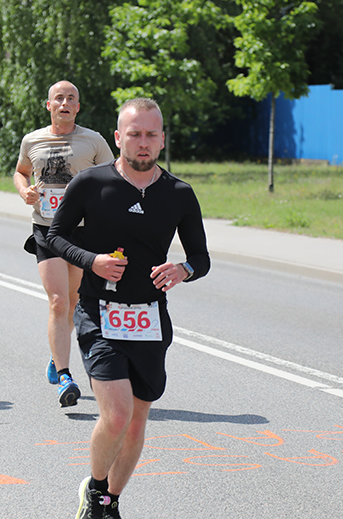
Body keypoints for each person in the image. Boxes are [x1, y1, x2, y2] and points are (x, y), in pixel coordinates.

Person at [46, 98, 209, 519]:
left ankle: (111, 500)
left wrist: (183, 269)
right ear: (118, 138)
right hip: (99, 313)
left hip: (150, 318)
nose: (143, 142)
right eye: (134, 134)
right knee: (116, 415)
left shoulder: (178, 193)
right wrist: (92, 261)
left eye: (151, 134)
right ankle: (96, 487)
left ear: (162, 140)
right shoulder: (90, 183)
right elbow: (55, 238)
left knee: (137, 423)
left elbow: (201, 259)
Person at [14, 80, 114, 407]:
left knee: (73, 302)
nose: (64, 103)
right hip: (46, 228)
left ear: (78, 107)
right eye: (58, 98)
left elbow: (113, 178)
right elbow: (20, 172)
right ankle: (66, 376)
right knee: (58, 302)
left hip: (83, 233)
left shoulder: (93, 141)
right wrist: (24, 190)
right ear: (48, 105)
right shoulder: (33, 140)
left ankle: (55, 357)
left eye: (71, 98)